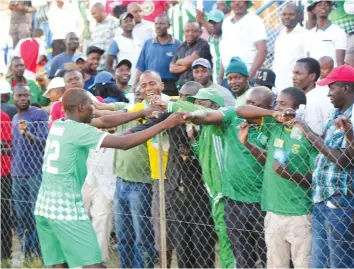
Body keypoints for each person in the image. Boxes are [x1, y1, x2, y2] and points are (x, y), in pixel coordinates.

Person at [34, 88, 185, 268]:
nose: (94, 109)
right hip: (66, 210)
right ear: (81, 107)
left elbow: (104, 120)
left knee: (60, 265)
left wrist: (143, 112)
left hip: (43, 208)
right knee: (95, 265)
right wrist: (164, 124)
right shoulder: (79, 131)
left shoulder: (60, 124)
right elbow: (124, 143)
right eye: (91, 105)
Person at [176, 86, 273, 268]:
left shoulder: (228, 126)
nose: (249, 108)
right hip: (230, 199)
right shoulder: (222, 124)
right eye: (248, 103)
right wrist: (194, 140)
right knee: (236, 249)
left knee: (264, 254)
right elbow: (205, 154)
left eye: (201, 102)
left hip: (257, 201)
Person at [126, 82, 217, 268]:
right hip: (175, 190)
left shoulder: (211, 124)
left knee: (203, 248)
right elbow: (142, 128)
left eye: (194, 100)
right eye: (182, 97)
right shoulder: (172, 117)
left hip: (201, 194)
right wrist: (121, 137)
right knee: (182, 250)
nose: (185, 103)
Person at [236, 87, 318, 268]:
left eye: (282, 104)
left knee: (303, 264)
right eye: (276, 103)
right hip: (273, 212)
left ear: (297, 108)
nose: (277, 107)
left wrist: (289, 175)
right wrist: (248, 144)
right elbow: (241, 111)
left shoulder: (309, 136)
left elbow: (315, 179)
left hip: (300, 215)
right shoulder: (274, 127)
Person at [291, 65, 354, 268]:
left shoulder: (351, 119)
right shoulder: (336, 113)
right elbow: (326, 148)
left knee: (339, 264)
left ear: (345, 89)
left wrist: (308, 132)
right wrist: (305, 129)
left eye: (332, 88)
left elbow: (344, 160)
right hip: (322, 197)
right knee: (319, 263)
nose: (328, 94)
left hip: (340, 200)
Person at [11, 84, 49, 259]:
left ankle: (42, 254)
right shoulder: (13, 118)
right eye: (20, 95)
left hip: (35, 173)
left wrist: (27, 134)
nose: (23, 98)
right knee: (22, 216)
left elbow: (44, 143)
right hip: (17, 174)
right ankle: (27, 254)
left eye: (26, 95)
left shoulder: (39, 115)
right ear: (14, 98)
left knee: (38, 215)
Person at [135, 14, 182, 96]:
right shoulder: (148, 43)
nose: (158, 26)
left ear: (168, 26)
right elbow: (140, 67)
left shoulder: (178, 45)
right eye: (156, 24)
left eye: (161, 24)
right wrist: (135, 85)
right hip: (149, 86)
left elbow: (182, 67)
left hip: (169, 87)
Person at [220, 0, 267, 80]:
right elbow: (224, 52)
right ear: (230, 3)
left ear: (247, 3)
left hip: (245, 78)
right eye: (233, 1)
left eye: (240, 1)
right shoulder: (226, 22)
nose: (237, 3)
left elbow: (263, 50)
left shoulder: (255, 21)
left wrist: (248, 78)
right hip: (228, 78)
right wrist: (220, 79)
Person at [292, 57, 333, 135]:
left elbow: (321, 133)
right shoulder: (293, 95)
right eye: (293, 73)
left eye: (298, 73)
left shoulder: (321, 99)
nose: (294, 77)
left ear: (312, 77)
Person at [273, 3, 308, 90]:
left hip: (294, 88)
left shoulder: (305, 35)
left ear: (299, 16)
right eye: (284, 14)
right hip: (277, 86)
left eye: (291, 14)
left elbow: (308, 64)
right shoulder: (281, 34)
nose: (287, 17)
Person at [170, 20, 212, 87]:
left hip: (199, 87)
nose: (190, 33)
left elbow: (190, 61)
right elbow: (172, 68)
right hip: (183, 88)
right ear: (184, 32)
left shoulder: (203, 45)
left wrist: (178, 61)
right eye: (187, 31)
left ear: (200, 32)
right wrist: (186, 65)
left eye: (194, 31)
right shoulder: (181, 47)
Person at [306, 0, 347, 66]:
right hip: (314, 74)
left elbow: (340, 62)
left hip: (331, 75)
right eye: (320, 5)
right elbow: (308, 59)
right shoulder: (309, 34)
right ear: (313, 10)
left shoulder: (339, 32)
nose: (323, 7)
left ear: (331, 9)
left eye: (327, 5)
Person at [106, 12, 142, 84]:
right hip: (124, 83)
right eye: (125, 21)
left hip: (138, 83)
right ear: (120, 24)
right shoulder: (116, 40)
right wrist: (115, 78)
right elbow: (108, 63)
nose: (129, 23)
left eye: (131, 20)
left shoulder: (139, 41)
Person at [90, 2, 120, 70]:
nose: (93, 16)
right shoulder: (95, 27)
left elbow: (119, 44)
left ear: (101, 11)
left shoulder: (114, 22)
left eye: (94, 13)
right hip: (98, 67)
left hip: (111, 67)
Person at [0, 110, 12, 261]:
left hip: (2, 173)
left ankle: (4, 253)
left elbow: (5, 144)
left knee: (3, 216)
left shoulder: (2, 116)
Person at [207, 9, 224, 84]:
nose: (213, 25)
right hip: (216, 79)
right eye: (211, 22)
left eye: (216, 22)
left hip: (229, 78)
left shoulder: (228, 37)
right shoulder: (211, 39)